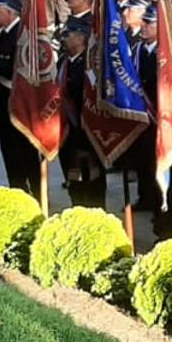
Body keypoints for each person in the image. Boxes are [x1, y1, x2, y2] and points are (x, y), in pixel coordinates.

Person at [0, 0, 38, 198]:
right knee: (8, 149)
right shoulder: (2, 32)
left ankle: (36, 191)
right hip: (2, 102)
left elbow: (20, 69)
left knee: (24, 149)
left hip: (17, 102)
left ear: (11, 12)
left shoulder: (21, 34)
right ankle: (17, 190)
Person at [57, 16, 106, 209]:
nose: (64, 39)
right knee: (72, 176)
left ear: (81, 38)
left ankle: (97, 214)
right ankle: (76, 208)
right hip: (68, 130)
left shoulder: (90, 64)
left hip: (87, 130)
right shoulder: (63, 62)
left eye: (68, 35)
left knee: (92, 178)